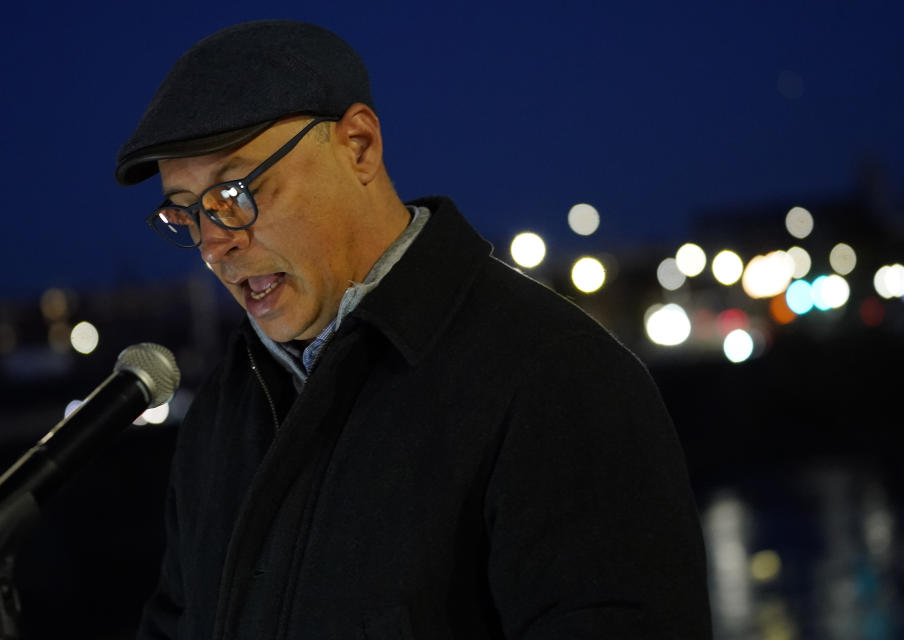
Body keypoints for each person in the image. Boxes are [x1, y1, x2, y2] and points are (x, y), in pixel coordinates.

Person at [116, 19, 712, 639]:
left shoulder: (556, 379)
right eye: (185, 212)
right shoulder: (217, 420)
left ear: (359, 146)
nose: (215, 242)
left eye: (235, 191)